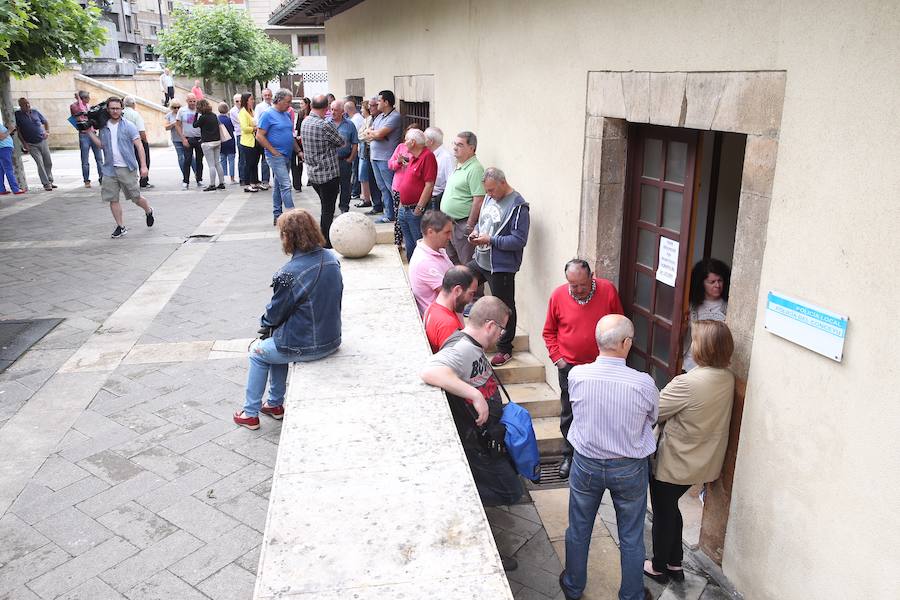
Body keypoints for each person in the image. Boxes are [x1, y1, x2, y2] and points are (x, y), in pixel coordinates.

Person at [420, 296, 523, 572]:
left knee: (508, 488)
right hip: (476, 444)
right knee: (507, 490)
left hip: (486, 440)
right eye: (502, 329)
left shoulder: (471, 345)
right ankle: (477, 538)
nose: (502, 334)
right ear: (490, 325)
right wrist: (475, 395)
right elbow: (430, 370)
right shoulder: (464, 348)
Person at [559, 314, 657, 600]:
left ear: (597, 341)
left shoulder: (577, 375)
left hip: (586, 463)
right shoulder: (643, 383)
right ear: (626, 343)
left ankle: (573, 587)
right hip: (628, 467)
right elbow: (653, 417)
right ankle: (632, 594)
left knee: (578, 528)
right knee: (631, 535)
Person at [643, 320, 735, 585]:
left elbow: (654, 411)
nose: (690, 346)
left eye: (694, 341)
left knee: (663, 511)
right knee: (671, 508)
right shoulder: (727, 378)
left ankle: (659, 566)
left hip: (676, 462)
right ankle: (675, 562)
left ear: (704, 348)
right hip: (703, 462)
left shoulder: (687, 383)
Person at [233, 208, 342, 430]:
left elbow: (274, 314)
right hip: (332, 337)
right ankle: (274, 403)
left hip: (309, 344)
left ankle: (250, 413)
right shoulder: (331, 259)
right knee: (275, 344)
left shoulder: (289, 273)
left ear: (288, 237)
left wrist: (264, 325)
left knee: (258, 352)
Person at [543, 258, 624, 480]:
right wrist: (558, 358)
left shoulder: (607, 290)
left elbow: (619, 323)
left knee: (601, 411)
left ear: (592, 276)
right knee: (570, 412)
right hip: (569, 366)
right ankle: (569, 456)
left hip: (602, 366)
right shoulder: (558, 295)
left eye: (582, 285)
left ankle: (598, 456)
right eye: (573, 285)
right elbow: (549, 332)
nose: (578, 290)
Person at [466, 167, 529, 367]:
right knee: (460, 279)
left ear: (503, 183)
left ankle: (505, 348)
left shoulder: (519, 207)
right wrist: (476, 233)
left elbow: (518, 241)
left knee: (505, 307)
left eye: (492, 190)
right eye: (487, 191)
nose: (489, 195)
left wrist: (491, 240)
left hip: (501, 266)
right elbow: (483, 221)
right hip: (481, 258)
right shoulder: (489, 196)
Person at [86, 97, 155, 239]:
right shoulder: (104, 127)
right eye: (112, 108)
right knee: (113, 198)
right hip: (109, 169)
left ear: (122, 109)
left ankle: (148, 210)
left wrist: (143, 166)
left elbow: (139, 146)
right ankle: (120, 226)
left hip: (127, 168)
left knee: (135, 197)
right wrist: (89, 132)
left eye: (118, 108)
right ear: (108, 109)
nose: (115, 111)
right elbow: (101, 145)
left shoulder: (129, 125)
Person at [300, 94, 344, 247]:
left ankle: (323, 238)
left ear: (311, 106)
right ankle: (325, 241)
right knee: (328, 210)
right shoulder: (324, 124)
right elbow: (340, 141)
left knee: (325, 206)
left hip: (313, 174)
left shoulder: (305, 122)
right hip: (328, 174)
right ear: (326, 109)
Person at [441, 131, 485, 265]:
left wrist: (469, 226)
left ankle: (471, 287)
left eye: (460, 145)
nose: (455, 147)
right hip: (450, 223)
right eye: (454, 144)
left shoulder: (475, 169)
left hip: (462, 225)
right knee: (453, 263)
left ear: (471, 148)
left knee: (467, 266)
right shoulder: (460, 164)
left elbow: (479, 200)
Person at [258, 89, 300, 226]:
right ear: (279, 100)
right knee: (286, 185)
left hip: (287, 154)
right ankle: (292, 217)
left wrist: (298, 151)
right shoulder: (268, 114)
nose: (289, 105)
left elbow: (290, 135)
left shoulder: (287, 114)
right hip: (276, 156)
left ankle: (277, 214)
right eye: (288, 102)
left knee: (278, 185)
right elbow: (259, 135)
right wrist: (273, 151)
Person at [394, 128, 437, 259]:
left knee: (419, 244)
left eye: (406, 140)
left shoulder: (427, 156)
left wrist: (419, 207)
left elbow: (429, 185)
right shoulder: (413, 157)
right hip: (404, 209)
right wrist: (401, 204)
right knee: (410, 244)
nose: (404, 142)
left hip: (415, 210)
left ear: (413, 142)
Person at [683, 258, 731, 371]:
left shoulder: (730, 307)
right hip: (690, 365)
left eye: (720, 280)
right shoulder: (690, 306)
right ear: (701, 283)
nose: (717, 285)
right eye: (712, 282)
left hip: (716, 367)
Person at [408, 210, 454, 315]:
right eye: (447, 232)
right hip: (442, 323)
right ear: (430, 232)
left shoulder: (439, 250)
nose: (450, 237)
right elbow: (452, 295)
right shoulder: (425, 262)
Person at [366, 90, 403, 221]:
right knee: (382, 187)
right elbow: (368, 132)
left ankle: (399, 214)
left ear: (386, 102)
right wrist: (375, 134)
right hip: (375, 156)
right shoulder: (380, 117)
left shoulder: (395, 117)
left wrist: (376, 134)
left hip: (386, 158)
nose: (377, 103)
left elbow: (379, 134)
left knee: (390, 187)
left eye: (379, 101)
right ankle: (389, 214)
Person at [423, 266, 478, 353]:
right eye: (471, 293)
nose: (470, 300)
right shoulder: (448, 325)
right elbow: (456, 363)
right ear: (457, 290)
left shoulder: (431, 308)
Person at [14, 97, 54, 191]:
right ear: (20, 106)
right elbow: (18, 131)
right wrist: (24, 143)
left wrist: (47, 131)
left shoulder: (35, 112)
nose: (27, 105)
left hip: (42, 140)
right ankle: (46, 184)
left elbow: (45, 122)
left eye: (28, 103)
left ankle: (50, 180)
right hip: (30, 144)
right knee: (40, 163)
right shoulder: (17, 115)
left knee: (48, 162)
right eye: (24, 104)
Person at [329, 100, 358, 214]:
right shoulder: (326, 123)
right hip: (330, 161)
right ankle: (330, 208)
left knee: (345, 186)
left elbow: (355, 143)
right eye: (331, 109)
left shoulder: (350, 125)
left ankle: (344, 208)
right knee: (331, 186)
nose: (333, 112)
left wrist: (351, 158)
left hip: (344, 160)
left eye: (335, 110)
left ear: (342, 111)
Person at [71, 90, 103, 187]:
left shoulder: (89, 106)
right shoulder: (74, 106)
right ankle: (86, 180)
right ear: (83, 98)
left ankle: (102, 177)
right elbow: (81, 111)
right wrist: (79, 100)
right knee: (85, 159)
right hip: (84, 134)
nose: (89, 99)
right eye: (87, 97)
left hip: (92, 132)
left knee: (99, 158)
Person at [194, 98, 225, 191]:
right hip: (217, 141)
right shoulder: (214, 115)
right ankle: (221, 182)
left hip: (207, 143)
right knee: (217, 163)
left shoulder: (202, 117)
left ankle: (212, 184)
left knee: (211, 165)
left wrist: (196, 114)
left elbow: (194, 125)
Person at [175, 93, 204, 190]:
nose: (192, 103)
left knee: (199, 160)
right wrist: (183, 138)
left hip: (199, 138)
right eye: (190, 101)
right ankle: (185, 181)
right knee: (187, 160)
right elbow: (177, 125)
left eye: (194, 101)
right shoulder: (182, 111)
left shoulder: (200, 110)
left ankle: (199, 179)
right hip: (188, 138)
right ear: (187, 101)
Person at [122, 96, 152, 188]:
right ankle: (144, 180)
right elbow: (141, 131)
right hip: (137, 141)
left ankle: (126, 182)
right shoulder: (135, 114)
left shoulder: (121, 113)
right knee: (143, 160)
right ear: (134, 104)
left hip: (124, 142)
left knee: (126, 162)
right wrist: (145, 141)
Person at [424, 126, 454, 211]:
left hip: (437, 199)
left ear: (431, 141)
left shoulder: (446, 157)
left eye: (424, 138)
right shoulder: (428, 155)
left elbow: (450, 181)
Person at [353, 98, 376, 208]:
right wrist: (364, 134)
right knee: (362, 176)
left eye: (362, 108)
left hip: (366, 152)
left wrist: (364, 134)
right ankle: (365, 198)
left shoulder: (370, 120)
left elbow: (365, 137)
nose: (361, 110)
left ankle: (367, 199)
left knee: (364, 176)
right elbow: (360, 135)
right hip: (362, 151)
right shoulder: (365, 120)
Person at [239, 93, 261, 193]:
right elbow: (244, 128)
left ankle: (254, 181)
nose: (253, 101)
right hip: (247, 141)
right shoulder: (242, 112)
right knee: (248, 163)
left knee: (255, 162)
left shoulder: (252, 111)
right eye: (251, 99)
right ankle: (247, 184)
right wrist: (255, 128)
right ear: (246, 100)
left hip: (255, 140)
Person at [344, 99, 365, 199]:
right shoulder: (357, 118)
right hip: (358, 149)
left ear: (347, 110)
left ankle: (355, 191)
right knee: (356, 171)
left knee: (356, 171)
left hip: (357, 150)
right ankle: (355, 190)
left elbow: (354, 137)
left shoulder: (355, 120)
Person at [254, 88, 274, 190]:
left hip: (273, 135)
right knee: (265, 158)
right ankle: (265, 180)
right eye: (265, 95)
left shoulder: (273, 106)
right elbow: (257, 121)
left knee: (274, 157)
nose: (267, 97)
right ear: (262, 96)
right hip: (264, 135)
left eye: (269, 95)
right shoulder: (259, 107)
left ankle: (276, 179)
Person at [0, 121, 24, 195]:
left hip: (3, 148)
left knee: (1, 170)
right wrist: (10, 130)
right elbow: (1, 137)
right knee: (8, 169)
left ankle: (1, 189)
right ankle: (15, 189)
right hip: (4, 148)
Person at [291, 97, 310, 191]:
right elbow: (297, 127)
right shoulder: (300, 114)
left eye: (302, 104)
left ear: (307, 104)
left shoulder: (311, 114)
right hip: (300, 140)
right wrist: (298, 136)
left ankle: (311, 180)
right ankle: (298, 184)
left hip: (309, 140)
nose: (301, 106)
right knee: (299, 162)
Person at [218, 102, 237, 184]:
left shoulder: (217, 119)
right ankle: (232, 178)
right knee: (231, 160)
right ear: (227, 110)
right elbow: (233, 129)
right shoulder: (229, 120)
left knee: (222, 160)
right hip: (230, 141)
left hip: (221, 142)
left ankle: (223, 177)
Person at [229, 94, 245, 185]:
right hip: (240, 134)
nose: (239, 103)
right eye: (237, 101)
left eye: (240, 101)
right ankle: (242, 177)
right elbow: (241, 121)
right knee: (242, 156)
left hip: (247, 134)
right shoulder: (233, 111)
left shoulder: (245, 109)